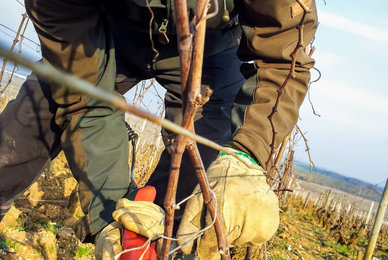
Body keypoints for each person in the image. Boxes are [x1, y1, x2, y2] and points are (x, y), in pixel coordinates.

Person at [0, 0, 318, 258]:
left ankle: (166, 249)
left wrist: (246, 158)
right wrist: (111, 213)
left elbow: (284, 58)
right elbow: (83, 101)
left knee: (203, 174)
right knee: (28, 124)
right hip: (106, 30)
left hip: (209, 48)